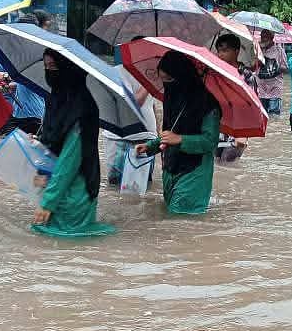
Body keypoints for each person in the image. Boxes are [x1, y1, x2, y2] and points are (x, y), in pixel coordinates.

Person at [31, 52, 114, 238]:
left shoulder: (82, 108)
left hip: (75, 197)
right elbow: (52, 141)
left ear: (68, 69)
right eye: (46, 67)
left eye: (53, 66)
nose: (49, 72)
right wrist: (42, 171)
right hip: (55, 191)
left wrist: (47, 203)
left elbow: (69, 161)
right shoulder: (57, 100)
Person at [135, 50, 221, 215]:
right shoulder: (172, 98)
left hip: (194, 173)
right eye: (163, 80)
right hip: (170, 168)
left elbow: (209, 142)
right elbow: (170, 133)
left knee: (181, 222)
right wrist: (151, 146)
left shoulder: (208, 105)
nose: (166, 84)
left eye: (170, 79)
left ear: (183, 77)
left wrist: (181, 139)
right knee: (169, 220)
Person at [213, 32, 252, 162]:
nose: (220, 54)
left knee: (228, 163)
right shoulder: (215, 73)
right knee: (216, 166)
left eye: (225, 50)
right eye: (219, 51)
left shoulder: (246, 75)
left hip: (236, 131)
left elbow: (251, 106)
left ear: (236, 51)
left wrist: (243, 135)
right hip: (216, 127)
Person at [256, 29, 287, 116]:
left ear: (272, 37)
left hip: (275, 88)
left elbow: (285, 68)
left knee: (274, 116)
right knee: (261, 116)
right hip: (261, 88)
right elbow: (252, 66)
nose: (263, 39)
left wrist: (274, 68)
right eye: (262, 37)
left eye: (266, 37)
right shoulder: (257, 49)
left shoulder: (279, 50)